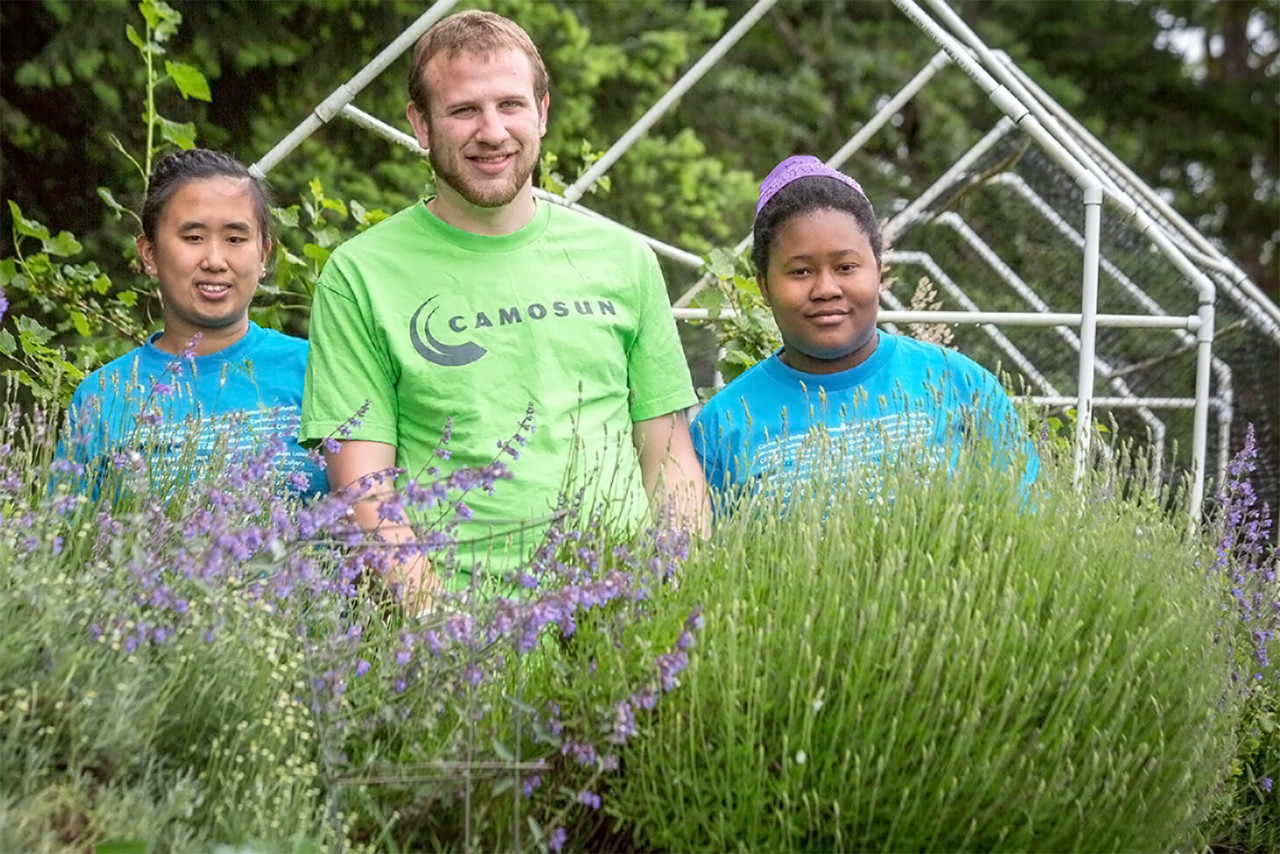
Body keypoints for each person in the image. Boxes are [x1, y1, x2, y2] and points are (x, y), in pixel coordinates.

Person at [299, 10, 708, 603]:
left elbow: (669, 459)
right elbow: (365, 491)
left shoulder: (624, 259)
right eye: (464, 110)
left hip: (627, 625)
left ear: (542, 112)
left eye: (511, 105)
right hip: (459, 642)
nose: (491, 131)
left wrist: (677, 599)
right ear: (420, 124)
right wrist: (443, 634)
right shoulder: (360, 276)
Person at [692, 155, 1038, 510]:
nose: (826, 288)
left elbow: (1026, 527)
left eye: (846, 267)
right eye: (800, 272)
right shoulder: (724, 425)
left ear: (879, 271)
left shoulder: (961, 386)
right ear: (764, 286)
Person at [66, 148, 325, 498]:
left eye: (235, 239)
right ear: (149, 254)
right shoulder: (103, 396)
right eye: (193, 238)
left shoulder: (315, 371)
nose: (215, 260)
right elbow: (67, 539)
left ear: (264, 254)